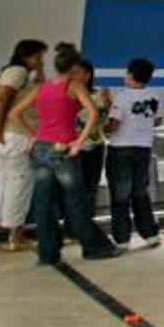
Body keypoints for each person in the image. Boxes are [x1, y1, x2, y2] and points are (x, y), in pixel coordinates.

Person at [7, 43, 120, 264]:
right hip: (64, 149)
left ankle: (48, 253)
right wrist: (78, 141)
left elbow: (14, 114)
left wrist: (34, 135)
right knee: (76, 200)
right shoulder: (74, 85)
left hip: (41, 149)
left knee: (43, 202)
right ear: (74, 67)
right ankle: (93, 246)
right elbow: (93, 113)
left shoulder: (42, 87)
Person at [0, 38, 48, 254]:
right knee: (20, 185)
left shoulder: (18, 73)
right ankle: (16, 235)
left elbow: (39, 86)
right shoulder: (17, 72)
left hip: (2, 138)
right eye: (39, 56)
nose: (41, 60)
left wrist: (40, 69)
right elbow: (1, 99)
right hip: (14, 136)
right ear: (28, 56)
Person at [104, 58, 162, 249]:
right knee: (140, 191)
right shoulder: (154, 96)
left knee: (120, 194)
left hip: (121, 148)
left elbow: (113, 125)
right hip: (144, 148)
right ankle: (150, 233)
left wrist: (102, 127)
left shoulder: (122, 97)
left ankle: (122, 238)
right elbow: (158, 121)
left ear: (130, 75)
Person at [73, 60, 109, 223]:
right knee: (73, 188)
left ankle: (86, 224)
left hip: (94, 147)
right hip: (73, 147)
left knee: (90, 188)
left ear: (88, 75)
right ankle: (72, 225)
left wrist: (108, 104)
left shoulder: (99, 95)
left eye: (78, 72)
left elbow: (105, 121)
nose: (74, 76)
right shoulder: (67, 94)